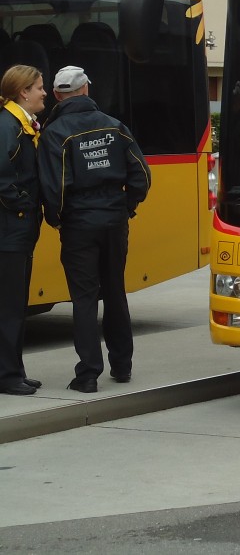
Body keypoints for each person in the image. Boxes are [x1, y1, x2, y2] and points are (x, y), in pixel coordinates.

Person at [38, 66, 150, 394]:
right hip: (114, 222)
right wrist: (127, 207)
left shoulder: (55, 133)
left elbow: (53, 186)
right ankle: (123, 365)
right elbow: (141, 175)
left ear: (58, 96)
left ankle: (87, 375)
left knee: (84, 299)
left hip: (79, 226)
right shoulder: (115, 126)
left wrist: (58, 219)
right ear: (87, 89)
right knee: (115, 290)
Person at [0, 65, 47, 395]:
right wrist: (25, 206)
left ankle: (14, 370)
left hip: (17, 228)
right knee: (11, 306)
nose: (44, 93)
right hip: (10, 230)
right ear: (23, 92)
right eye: (39, 87)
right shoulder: (7, 126)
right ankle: (7, 376)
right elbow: (3, 178)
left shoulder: (18, 124)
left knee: (15, 304)